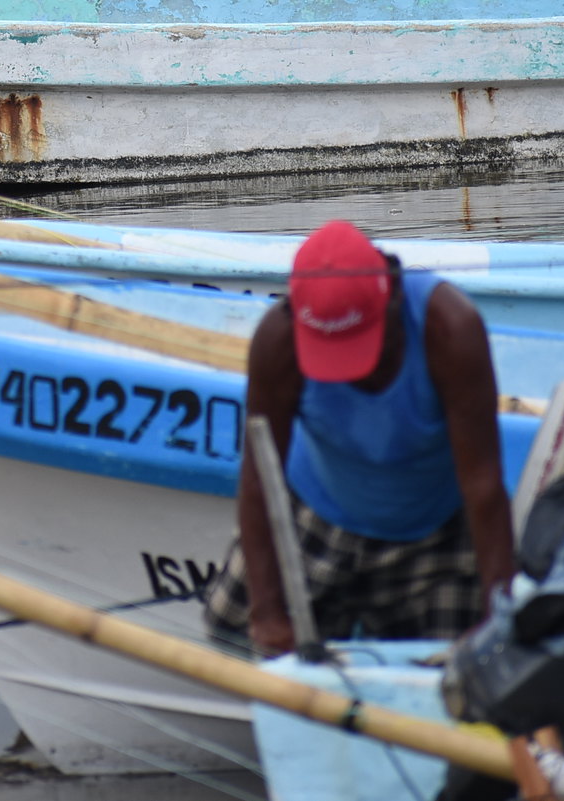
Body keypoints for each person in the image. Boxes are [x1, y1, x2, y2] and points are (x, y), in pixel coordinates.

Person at [205, 220, 517, 655]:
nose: (355, 373)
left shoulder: (450, 329)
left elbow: (483, 484)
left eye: (361, 347)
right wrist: (267, 612)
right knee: (229, 626)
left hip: (433, 532)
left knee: (453, 668)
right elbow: (259, 477)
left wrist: (497, 619)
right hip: (317, 518)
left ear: (392, 296)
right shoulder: (278, 341)